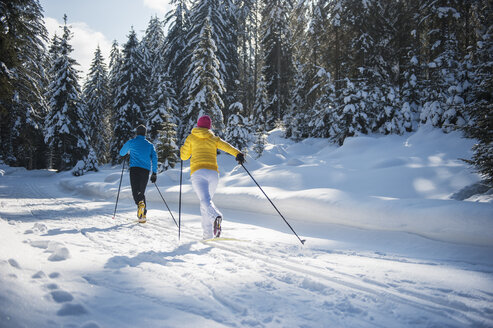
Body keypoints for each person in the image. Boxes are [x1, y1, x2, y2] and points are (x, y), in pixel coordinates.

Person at [180, 115, 245, 239]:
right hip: (213, 174)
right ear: (209, 127)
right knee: (205, 203)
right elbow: (226, 146)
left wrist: (182, 149)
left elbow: (184, 157)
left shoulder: (191, 137)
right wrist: (238, 154)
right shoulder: (213, 138)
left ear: (198, 125)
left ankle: (215, 216)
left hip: (198, 172)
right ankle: (207, 235)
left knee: (205, 201)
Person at [119, 124, 158, 223]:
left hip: (135, 169)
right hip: (145, 170)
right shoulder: (149, 145)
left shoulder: (131, 142)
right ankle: (142, 215)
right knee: (141, 191)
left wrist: (128, 152)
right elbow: (154, 158)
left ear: (136, 133)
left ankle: (141, 207)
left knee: (135, 191)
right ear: (145, 133)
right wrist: (154, 173)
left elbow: (122, 153)